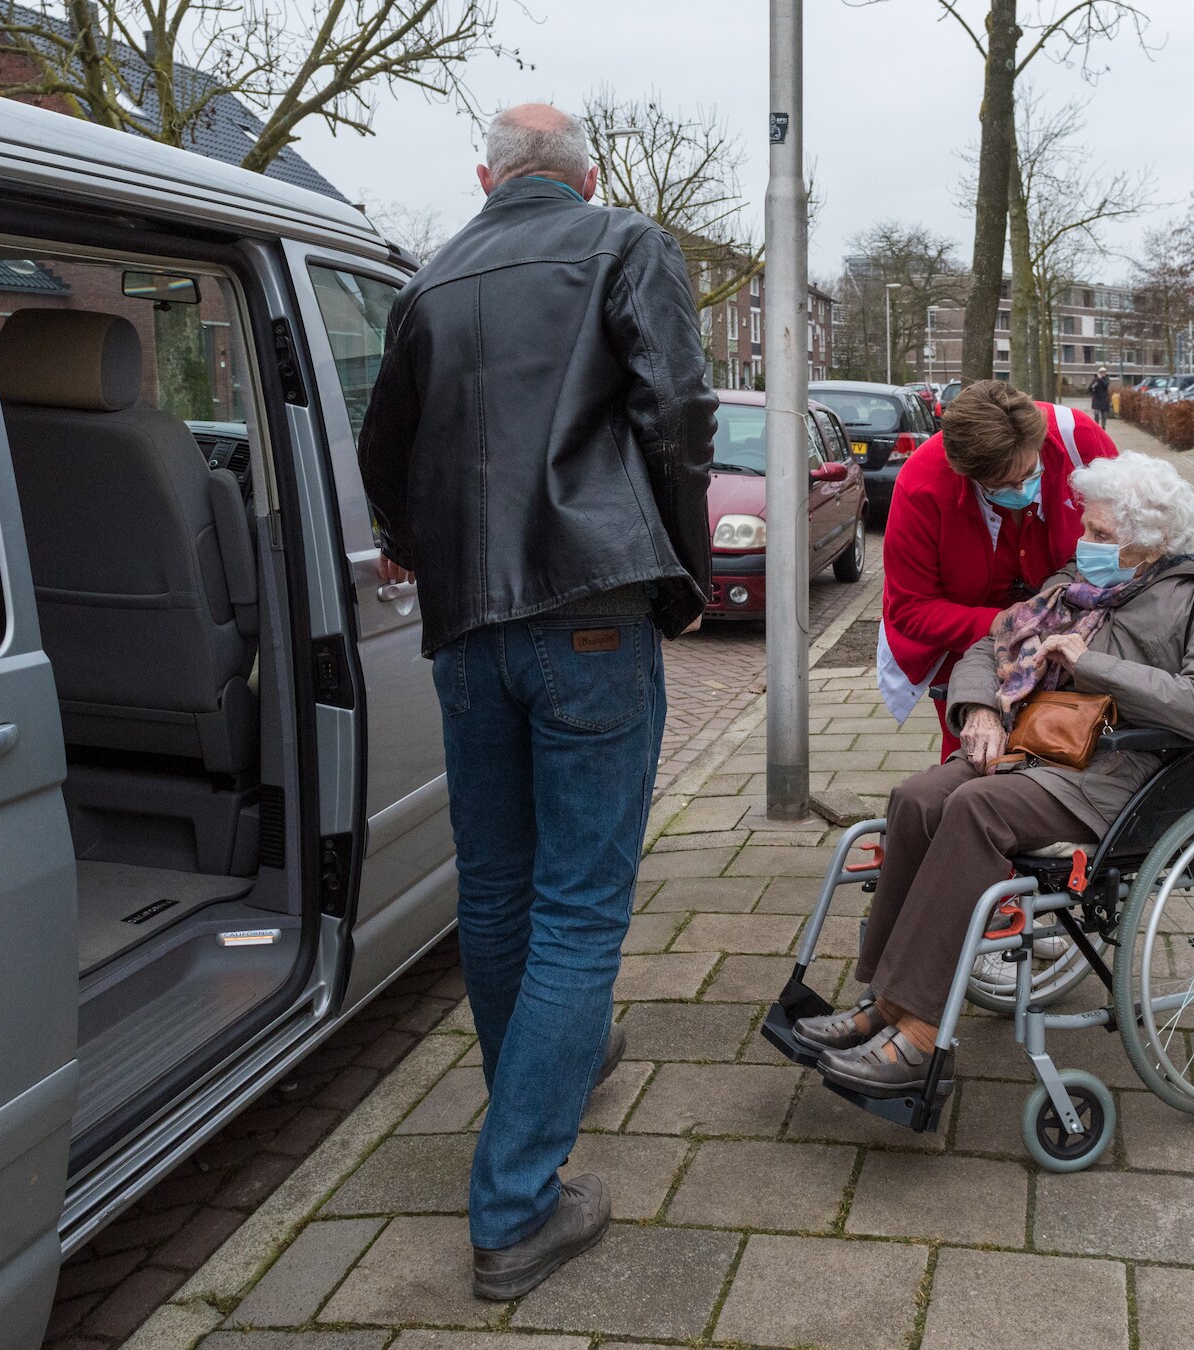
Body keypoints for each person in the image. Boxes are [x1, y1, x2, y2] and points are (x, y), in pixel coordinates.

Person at [356, 103, 715, 1298]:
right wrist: (679, 571)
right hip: (588, 606)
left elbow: (382, 452)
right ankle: (516, 1205)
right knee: (576, 911)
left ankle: (538, 1091)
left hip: (466, 630)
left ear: (485, 176)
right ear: (587, 174)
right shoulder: (624, 242)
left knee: (501, 893)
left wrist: (419, 547)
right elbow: (677, 410)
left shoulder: (427, 281)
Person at [795, 451, 1194, 1094]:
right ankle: (885, 1002)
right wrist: (978, 707)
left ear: (1148, 543)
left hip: (1119, 769)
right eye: (1085, 528)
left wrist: (1092, 664)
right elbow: (990, 644)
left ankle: (919, 1037)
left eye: (1100, 535)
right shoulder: (1077, 582)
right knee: (918, 798)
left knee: (978, 810)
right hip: (1034, 747)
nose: (1082, 543)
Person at [880, 379, 1118, 763]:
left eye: (1029, 472)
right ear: (967, 474)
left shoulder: (1081, 441)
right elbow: (910, 608)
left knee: (1077, 742)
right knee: (974, 751)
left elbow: (1130, 537)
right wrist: (1000, 623)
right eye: (1003, 485)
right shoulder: (922, 485)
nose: (1021, 488)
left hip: (1080, 624)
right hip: (968, 637)